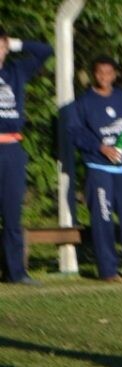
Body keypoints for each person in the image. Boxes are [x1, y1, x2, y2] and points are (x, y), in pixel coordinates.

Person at [69, 56, 122, 282]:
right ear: (95, 74)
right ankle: (108, 270)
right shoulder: (82, 103)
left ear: (115, 74)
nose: (105, 77)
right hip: (99, 168)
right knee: (103, 219)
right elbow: (75, 133)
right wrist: (100, 147)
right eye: (100, 72)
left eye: (109, 72)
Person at [0, 30, 52, 286]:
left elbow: (46, 51)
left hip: (11, 150)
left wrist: (17, 42)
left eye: (0, 46)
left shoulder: (17, 71)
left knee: (12, 215)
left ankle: (15, 272)